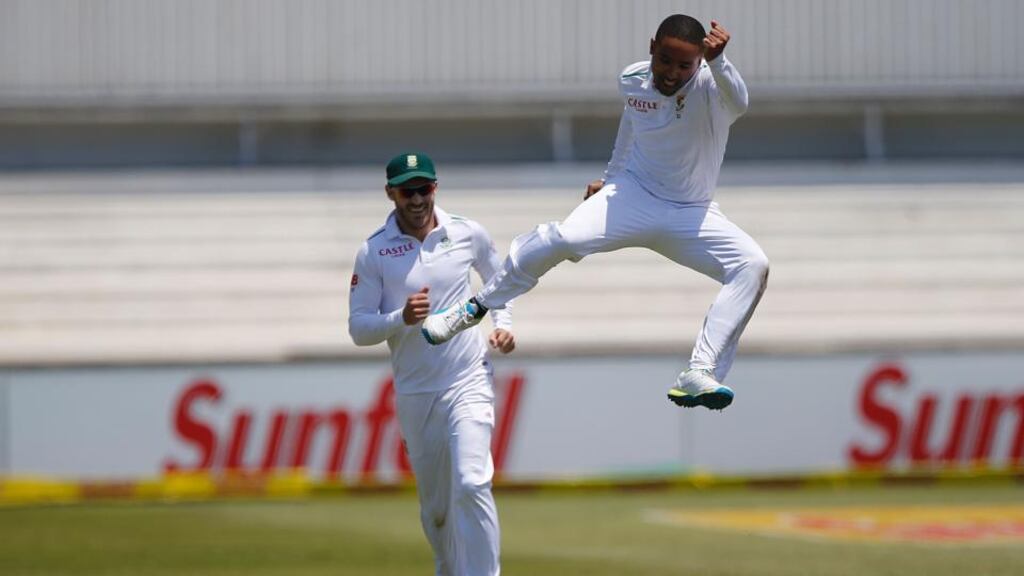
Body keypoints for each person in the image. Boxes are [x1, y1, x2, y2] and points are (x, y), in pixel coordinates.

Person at [422, 15, 767, 411]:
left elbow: (740, 101)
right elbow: (632, 130)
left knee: (753, 265)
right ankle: (475, 307)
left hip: (690, 212)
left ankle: (699, 372)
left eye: (684, 65)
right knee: (564, 238)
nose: (672, 73)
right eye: (666, 60)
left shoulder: (712, 86)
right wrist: (610, 179)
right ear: (652, 46)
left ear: (699, 62)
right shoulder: (632, 79)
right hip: (632, 195)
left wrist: (720, 61)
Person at [348, 152, 515, 576]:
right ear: (391, 194)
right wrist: (399, 318)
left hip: (468, 377)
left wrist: (504, 324)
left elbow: (501, 282)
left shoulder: (467, 232)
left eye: (425, 188)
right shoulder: (373, 251)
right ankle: (447, 566)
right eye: (408, 191)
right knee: (437, 512)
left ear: (435, 188)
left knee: (473, 482)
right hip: (416, 392)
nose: (418, 199)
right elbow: (358, 328)